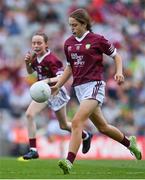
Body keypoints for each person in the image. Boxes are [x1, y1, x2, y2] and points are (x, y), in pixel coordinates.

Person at [51, 9, 142, 174]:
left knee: (77, 121)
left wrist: (119, 71)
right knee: (103, 127)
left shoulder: (97, 40)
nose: (72, 28)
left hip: (95, 85)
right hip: (79, 88)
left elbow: (116, 56)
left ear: (84, 24)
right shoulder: (68, 43)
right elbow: (69, 68)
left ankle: (68, 161)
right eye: (70, 25)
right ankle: (130, 144)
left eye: (75, 25)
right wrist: (58, 85)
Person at [23, 32, 93, 160]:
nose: (36, 45)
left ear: (46, 44)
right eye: (34, 43)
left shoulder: (52, 59)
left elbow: (61, 76)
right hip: (43, 93)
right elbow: (30, 72)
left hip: (55, 92)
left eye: (39, 43)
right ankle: (33, 150)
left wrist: (46, 81)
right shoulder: (34, 57)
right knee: (29, 114)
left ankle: (85, 135)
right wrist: (27, 63)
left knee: (64, 125)